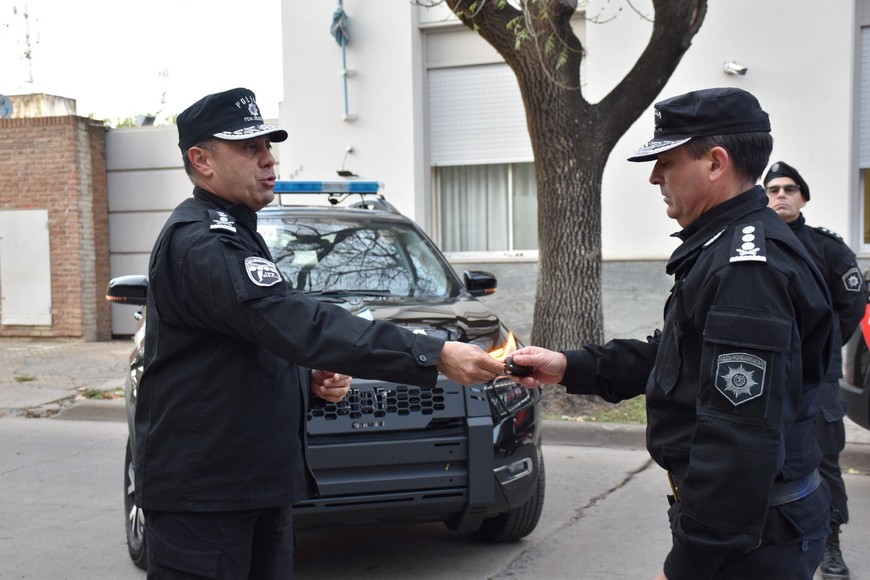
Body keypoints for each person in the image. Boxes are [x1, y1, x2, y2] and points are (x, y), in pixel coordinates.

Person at [137, 87, 504, 579]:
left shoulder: (238, 232)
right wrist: (434, 353)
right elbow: (295, 321)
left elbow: (251, 338)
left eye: (269, 146)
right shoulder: (204, 242)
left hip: (248, 485)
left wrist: (301, 374)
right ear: (201, 159)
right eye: (250, 148)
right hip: (207, 498)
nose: (269, 160)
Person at [507, 87, 835, 580]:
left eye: (667, 160)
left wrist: (689, 563)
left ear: (715, 163)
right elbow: (678, 357)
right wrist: (570, 366)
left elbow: (739, 438)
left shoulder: (747, 268)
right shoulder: (725, 246)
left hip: (752, 540)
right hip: (749, 530)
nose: (655, 175)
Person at [764, 160, 866, 579]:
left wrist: (818, 351)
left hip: (815, 376)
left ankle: (830, 546)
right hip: (766, 375)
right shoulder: (753, 243)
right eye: (772, 189)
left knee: (823, 461)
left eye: (789, 188)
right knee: (762, 458)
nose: (781, 195)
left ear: (804, 197)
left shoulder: (828, 247)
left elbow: (851, 306)